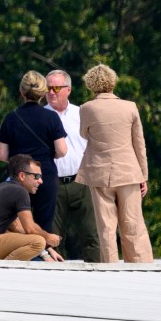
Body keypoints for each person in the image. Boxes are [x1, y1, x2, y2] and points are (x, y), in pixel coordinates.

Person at [76, 64, 154, 263]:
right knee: (133, 224)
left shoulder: (86, 108)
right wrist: (143, 175)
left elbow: (83, 133)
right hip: (129, 172)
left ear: (90, 84)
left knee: (106, 227)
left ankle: (110, 267)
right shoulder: (130, 107)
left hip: (100, 173)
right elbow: (139, 143)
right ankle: (141, 266)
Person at [0, 71, 67, 234]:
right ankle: (46, 255)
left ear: (22, 92)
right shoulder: (51, 117)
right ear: (43, 93)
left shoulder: (11, 118)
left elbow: (1, 154)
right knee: (45, 222)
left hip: (19, 176)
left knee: (17, 224)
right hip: (45, 174)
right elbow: (62, 150)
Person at [0, 155, 64, 262]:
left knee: (34, 250)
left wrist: (47, 252)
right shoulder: (19, 191)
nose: (41, 181)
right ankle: (5, 272)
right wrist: (48, 237)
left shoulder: (6, 187)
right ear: (22, 176)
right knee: (38, 242)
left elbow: (18, 227)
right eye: (37, 176)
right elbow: (30, 229)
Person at [44, 69, 100, 263]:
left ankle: (99, 278)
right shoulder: (42, 115)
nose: (51, 92)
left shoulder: (81, 113)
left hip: (82, 181)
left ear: (68, 89)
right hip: (52, 184)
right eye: (48, 88)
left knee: (92, 234)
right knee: (52, 238)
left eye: (56, 88)